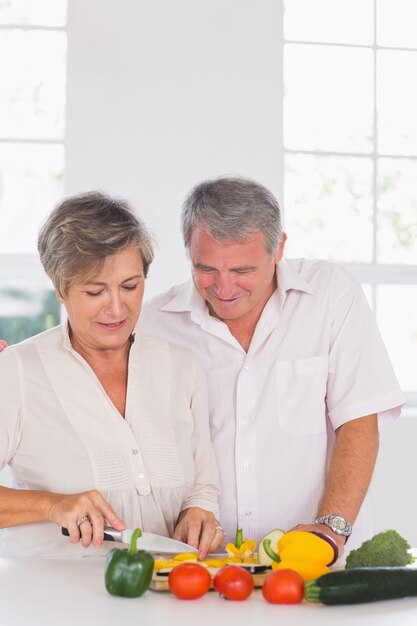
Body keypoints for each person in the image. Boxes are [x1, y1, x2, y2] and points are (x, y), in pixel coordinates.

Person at [138, 176, 405, 555]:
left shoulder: (330, 294)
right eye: (206, 269)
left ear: (278, 248)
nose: (224, 288)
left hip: (322, 558)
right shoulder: (154, 325)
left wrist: (331, 528)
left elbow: (358, 422)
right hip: (203, 563)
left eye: (243, 271)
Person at [0, 191, 222, 558]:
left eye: (130, 286)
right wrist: (51, 505)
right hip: (50, 603)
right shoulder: (18, 370)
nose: (117, 308)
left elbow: (202, 486)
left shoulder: (182, 367)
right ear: (60, 289)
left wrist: (198, 513)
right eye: (94, 291)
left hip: (164, 599)